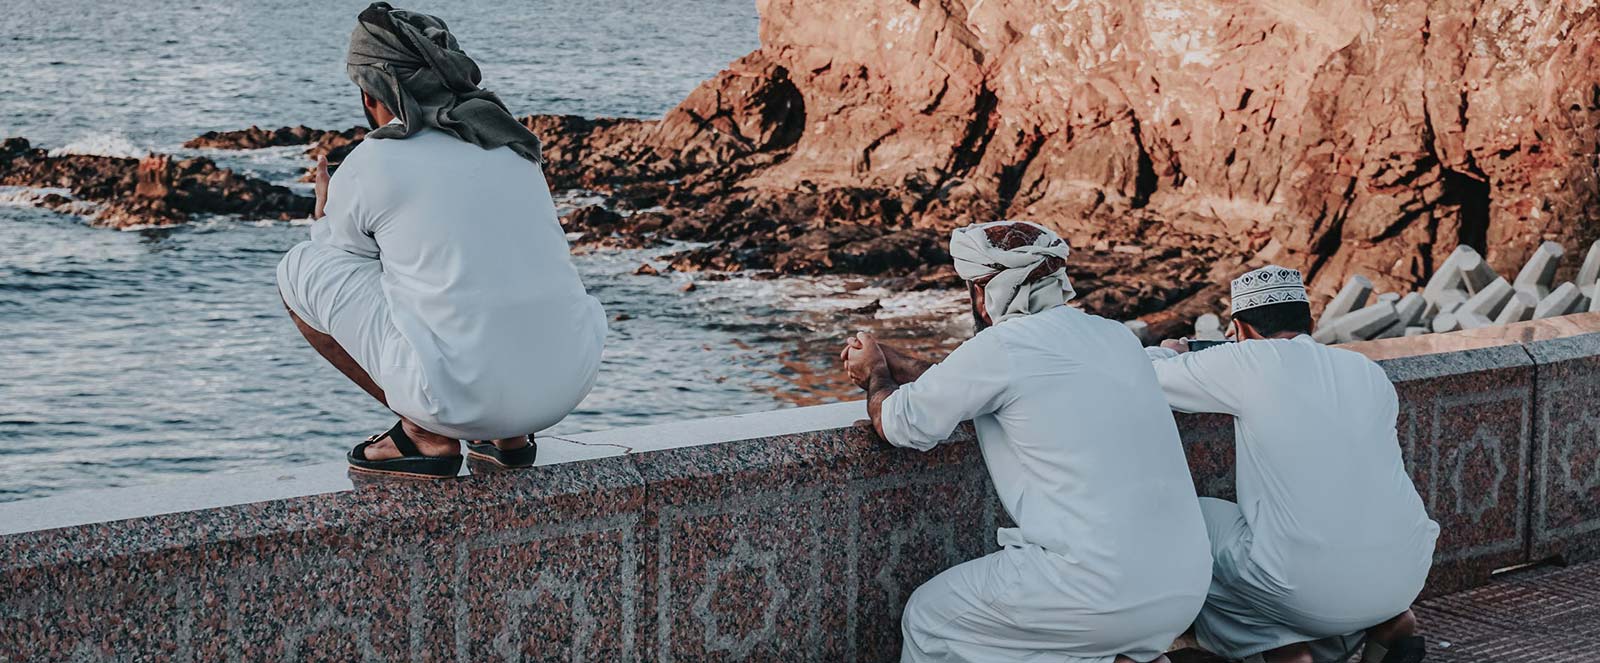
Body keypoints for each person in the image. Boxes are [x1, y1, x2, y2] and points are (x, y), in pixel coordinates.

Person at [841, 220, 1211, 663]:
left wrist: (874, 374)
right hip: (1185, 585)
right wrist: (895, 359)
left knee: (930, 620)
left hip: (1096, 589)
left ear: (983, 292)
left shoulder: (1004, 348)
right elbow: (986, 377)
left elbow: (899, 422)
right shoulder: (1115, 335)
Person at [276, 2, 606, 478]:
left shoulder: (375, 159)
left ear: (373, 95)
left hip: (457, 398)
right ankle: (506, 437)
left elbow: (340, 258)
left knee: (299, 268)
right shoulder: (513, 143)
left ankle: (425, 434)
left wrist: (323, 216)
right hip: (567, 384)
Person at [1146, 266, 1437, 663]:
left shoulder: (1247, 361)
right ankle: (1390, 627)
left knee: (1194, 520)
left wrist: (1172, 351)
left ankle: (1284, 651)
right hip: (1405, 575)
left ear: (1240, 330)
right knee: (1299, 554)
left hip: (1308, 587)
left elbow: (1142, 375)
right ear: (1311, 322)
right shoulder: (1366, 372)